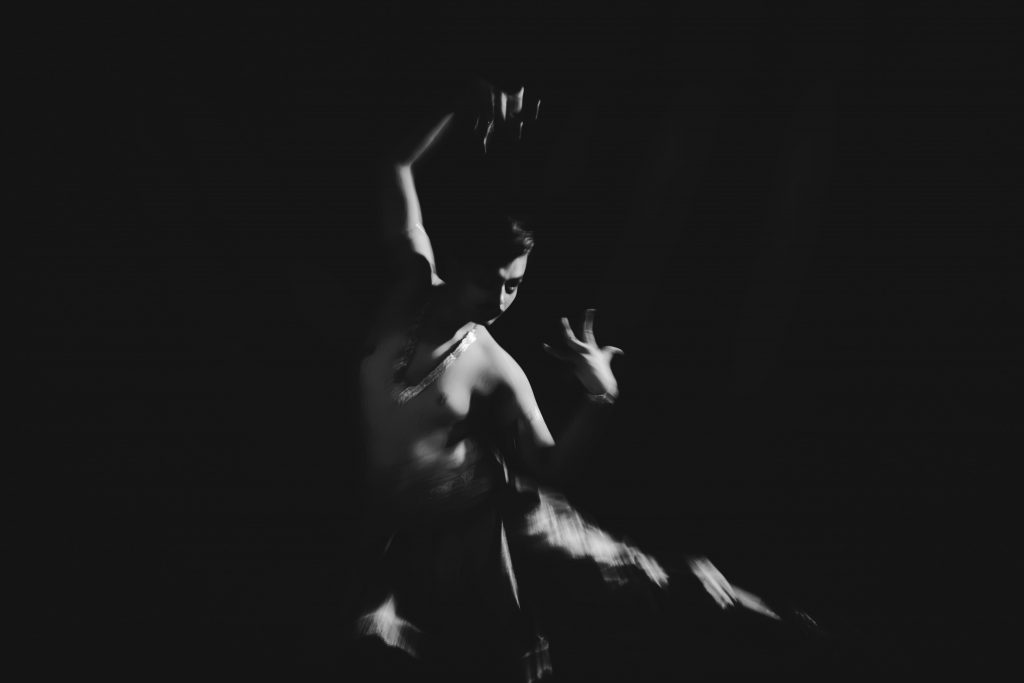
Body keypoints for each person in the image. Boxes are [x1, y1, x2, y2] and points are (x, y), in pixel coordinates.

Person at [343, 78, 795, 682]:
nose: (500, 300)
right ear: (455, 263)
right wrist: (458, 99)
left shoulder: (495, 366)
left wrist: (600, 396)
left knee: (633, 576)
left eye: (514, 286)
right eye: (489, 281)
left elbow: (550, 465)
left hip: (492, 516)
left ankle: (767, 616)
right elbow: (395, 165)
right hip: (410, 531)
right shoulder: (409, 283)